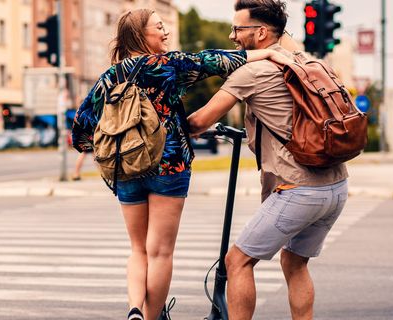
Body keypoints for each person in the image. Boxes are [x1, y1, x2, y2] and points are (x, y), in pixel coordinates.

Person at [71, 8, 293, 320]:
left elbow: (81, 131)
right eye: (158, 27)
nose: (165, 32)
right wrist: (270, 53)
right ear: (141, 35)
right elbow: (216, 60)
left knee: (138, 249)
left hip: (126, 171)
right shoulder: (170, 65)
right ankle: (152, 318)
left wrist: (116, 148)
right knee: (160, 252)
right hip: (169, 166)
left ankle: (134, 308)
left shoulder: (110, 77)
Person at [187, 1, 349, 319]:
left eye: (238, 29)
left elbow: (198, 122)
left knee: (237, 262)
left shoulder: (253, 71)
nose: (232, 36)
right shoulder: (303, 61)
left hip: (299, 189)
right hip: (335, 186)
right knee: (294, 262)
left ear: (261, 33)